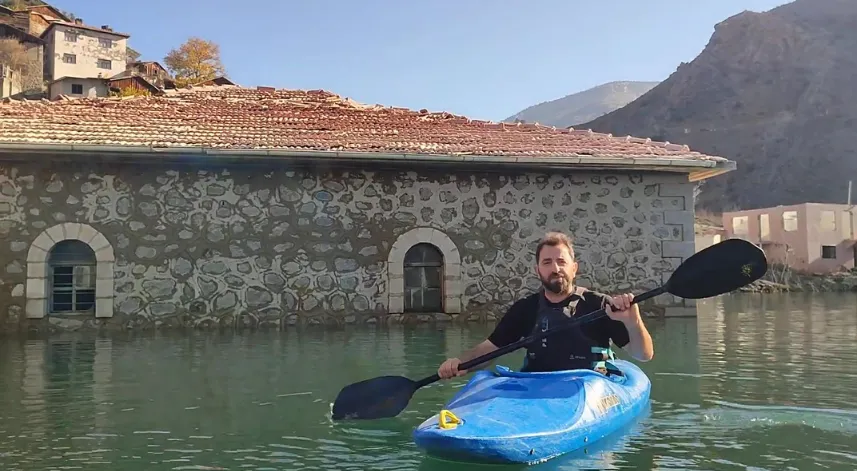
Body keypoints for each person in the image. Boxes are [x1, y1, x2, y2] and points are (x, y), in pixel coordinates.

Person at [437, 231, 654, 379]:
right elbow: (488, 350)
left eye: (561, 262)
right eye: (547, 263)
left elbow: (644, 355)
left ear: (574, 268)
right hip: (537, 387)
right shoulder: (525, 309)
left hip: (588, 386)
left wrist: (633, 322)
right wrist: (459, 363)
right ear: (537, 270)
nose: (555, 268)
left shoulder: (600, 305)